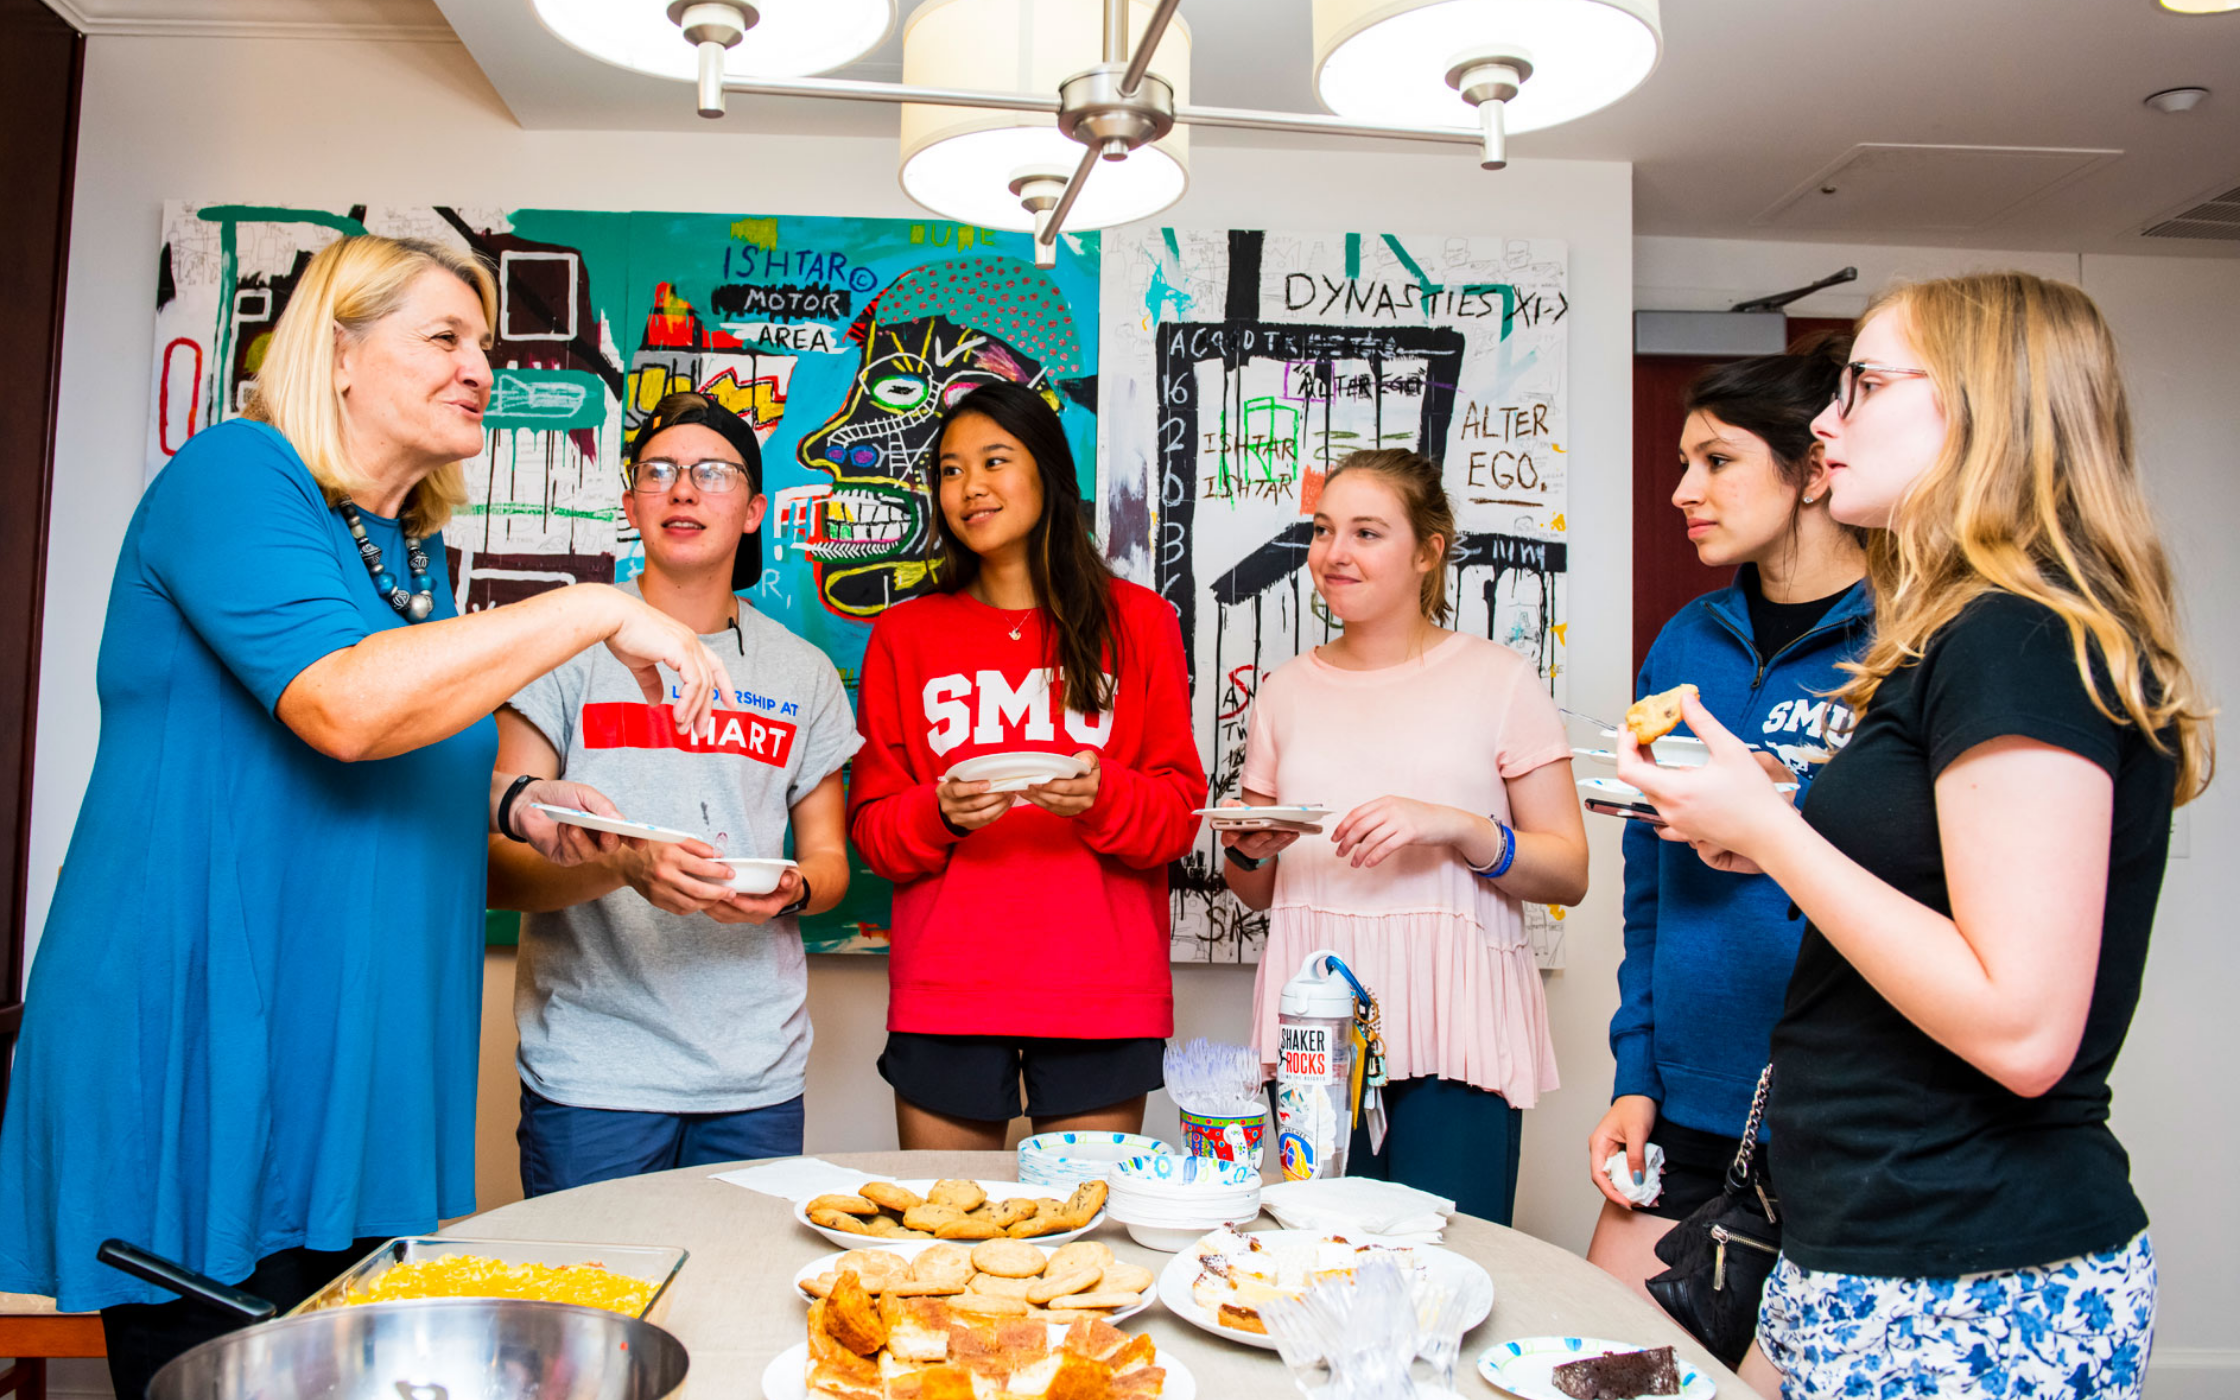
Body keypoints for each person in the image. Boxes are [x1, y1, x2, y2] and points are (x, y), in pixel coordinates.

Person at [0, 234, 736, 1397]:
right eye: (442, 336)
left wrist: (574, 839)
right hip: (206, 1043)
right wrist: (596, 604)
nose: (478, 367)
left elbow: (415, 828)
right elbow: (341, 706)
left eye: (486, 344)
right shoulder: (236, 473)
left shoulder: (409, 560)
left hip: (355, 1068)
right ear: (336, 353)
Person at [1619, 272, 2212, 1399]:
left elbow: (2023, 1024)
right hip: (1874, 1241)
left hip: (1971, 1265)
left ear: (1983, 408)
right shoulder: (1960, 630)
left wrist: (1771, 832)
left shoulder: (2017, 635)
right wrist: (1774, 820)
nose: (1827, 421)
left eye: (1863, 386)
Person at [486, 391, 860, 1195]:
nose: (683, 489)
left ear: (756, 510)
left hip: (754, 1075)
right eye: (659, 471)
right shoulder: (563, 650)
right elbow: (494, 866)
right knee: (590, 1309)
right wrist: (625, 865)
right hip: (592, 1074)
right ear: (630, 505)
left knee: (733, 1310)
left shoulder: (803, 672)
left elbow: (830, 863)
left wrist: (792, 887)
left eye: (712, 473)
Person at [1223, 450, 1590, 1224]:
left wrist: (1454, 825)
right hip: (1316, 1029)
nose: (1335, 555)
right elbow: (1256, 890)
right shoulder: (1285, 691)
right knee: (1323, 1262)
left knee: (1455, 1265)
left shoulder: (1499, 679)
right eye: (1323, 531)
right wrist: (1245, 847)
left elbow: (1568, 872)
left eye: (1366, 532)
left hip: (1460, 1025)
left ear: (1429, 550)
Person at [1584, 338, 1870, 1301]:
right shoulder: (1683, 641)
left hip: (1840, 1110)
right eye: (1682, 465)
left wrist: (1785, 808)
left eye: (1717, 461)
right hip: (1685, 1096)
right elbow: (1647, 888)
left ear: (1814, 470)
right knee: (1609, 1356)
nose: (1684, 491)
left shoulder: (1907, 640)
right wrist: (1636, 1076)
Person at [848, 381, 1204, 1149]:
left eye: (993, 461)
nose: (968, 487)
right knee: (947, 1241)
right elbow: (873, 834)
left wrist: (1103, 795)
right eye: (948, 470)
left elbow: (1177, 817)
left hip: (1100, 990)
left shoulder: (1141, 624)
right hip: (946, 989)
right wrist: (938, 813)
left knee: (1088, 1254)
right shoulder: (902, 637)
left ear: (1047, 471)